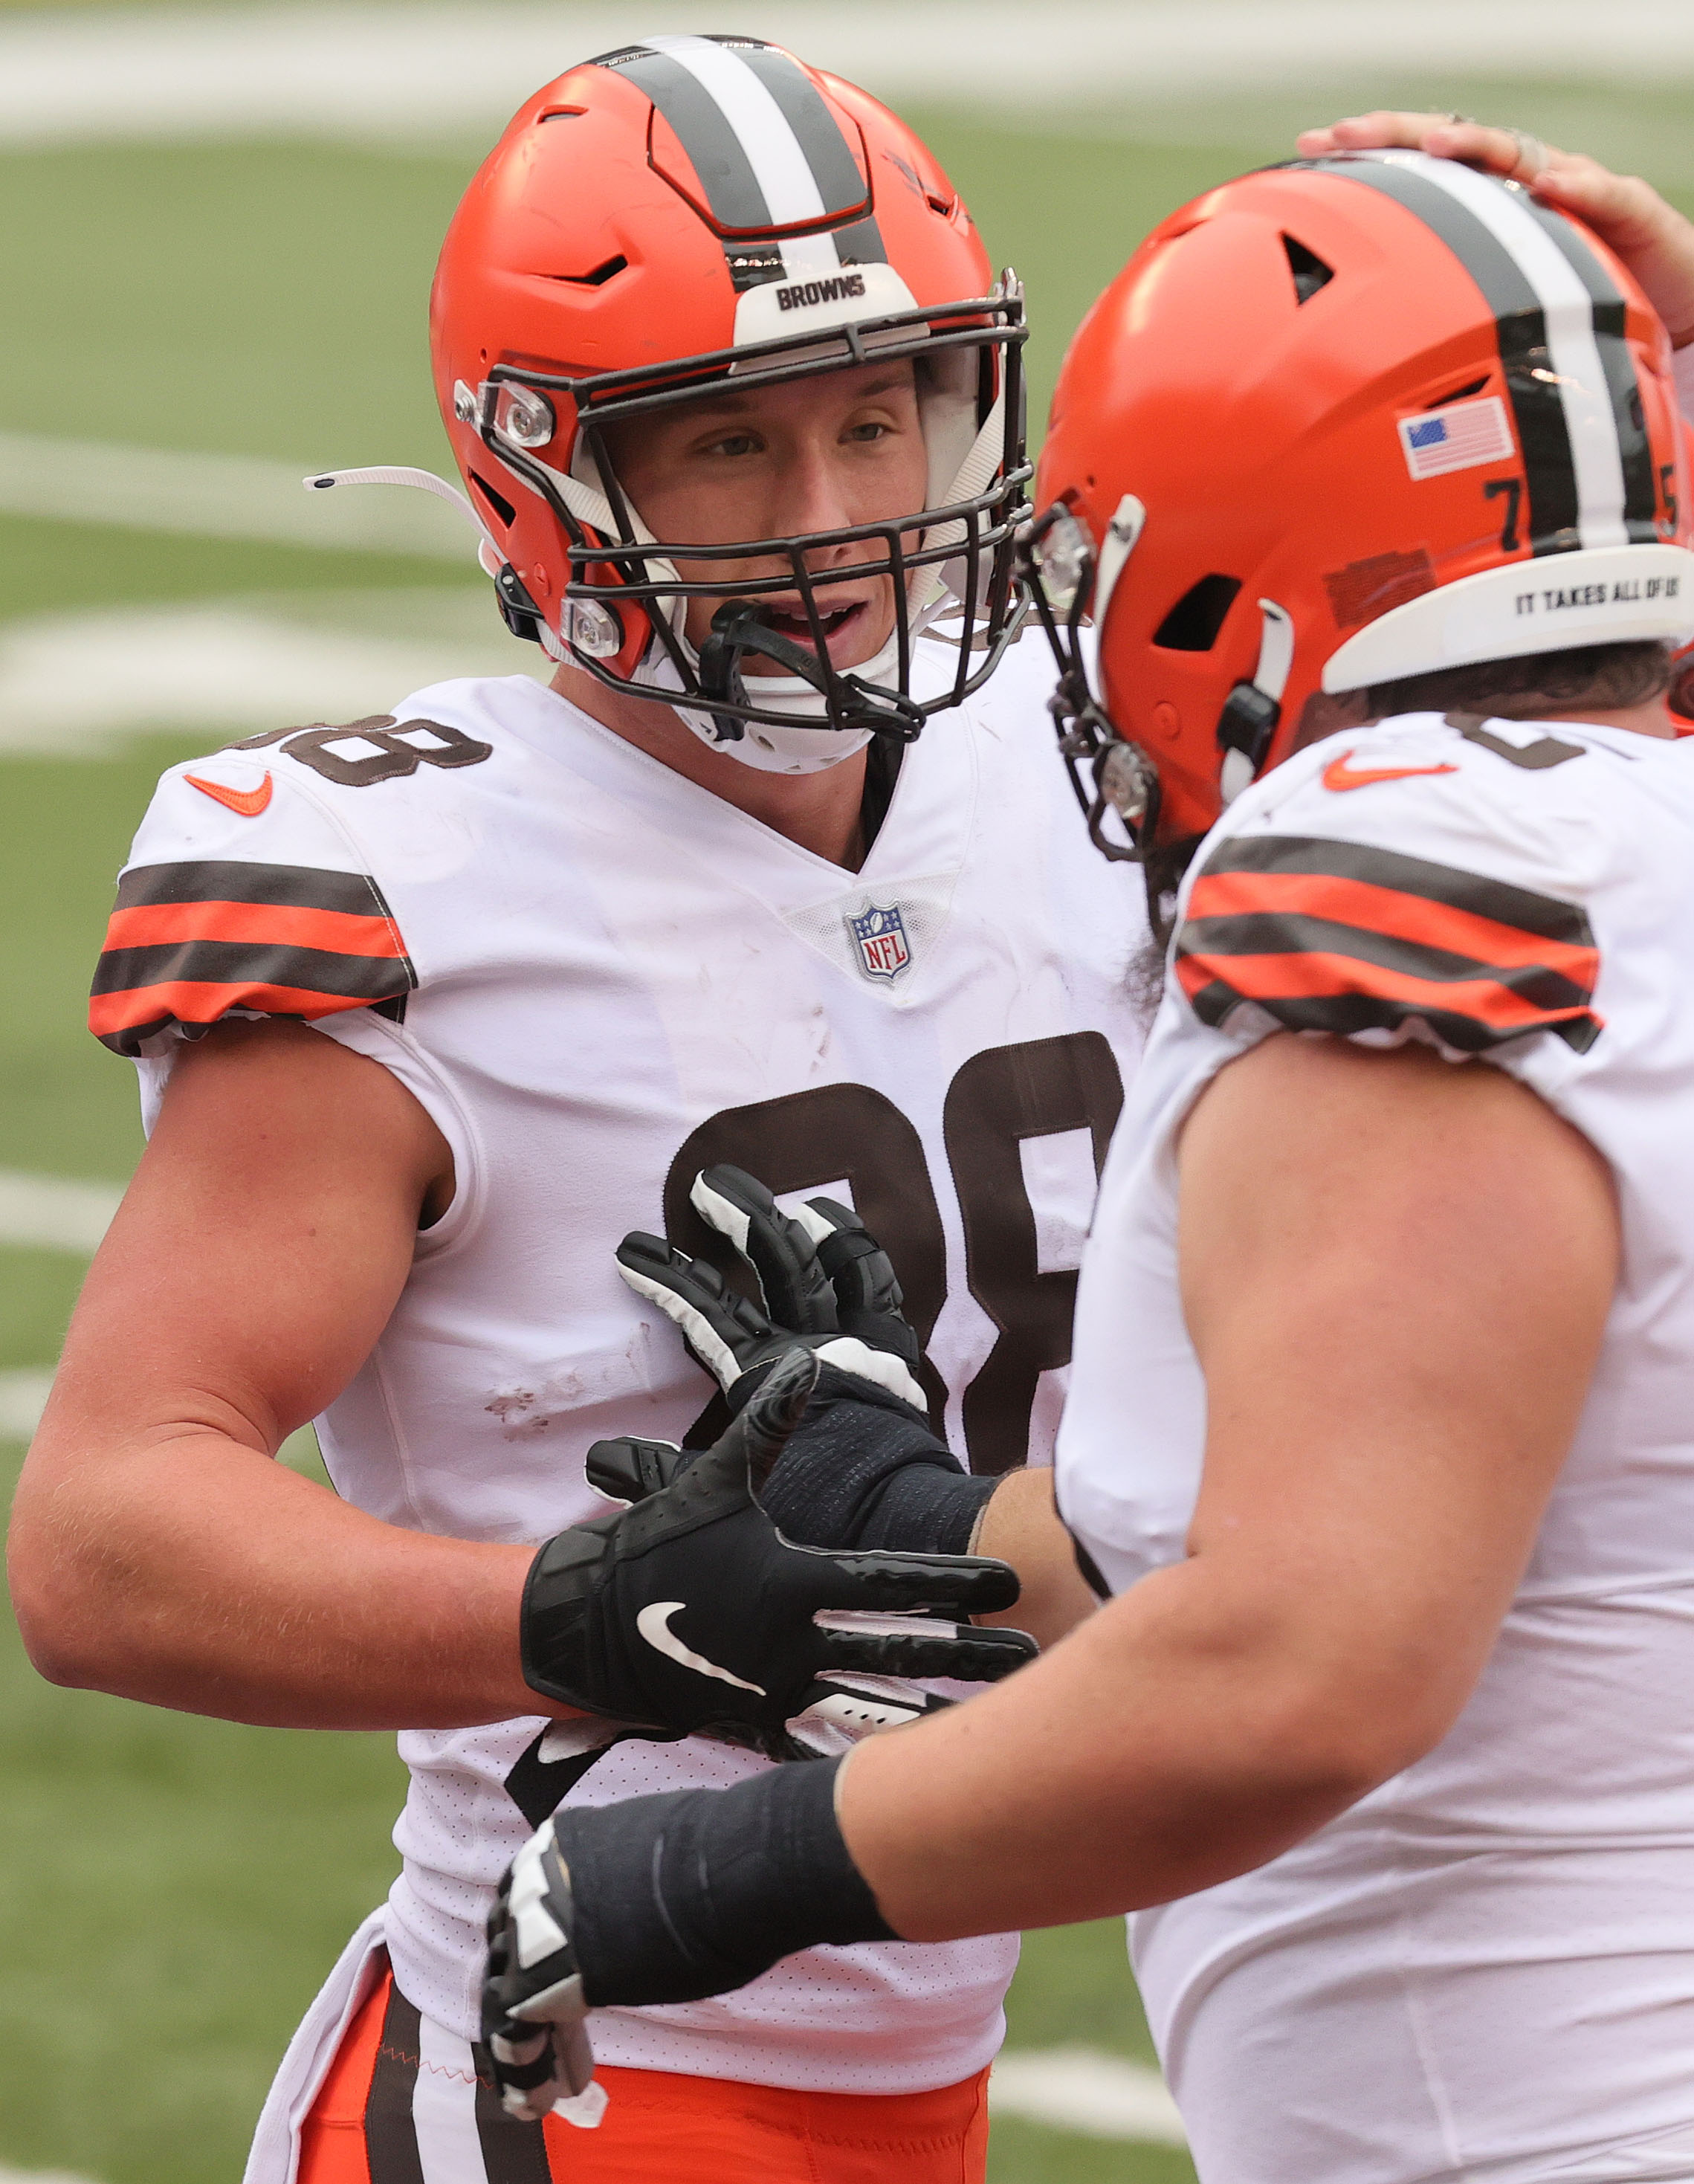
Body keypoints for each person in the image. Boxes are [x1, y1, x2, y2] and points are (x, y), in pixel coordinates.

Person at [479, 132, 1694, 2184]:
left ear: (1230, 574)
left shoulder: (1413, 870)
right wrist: (922, 1521)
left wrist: (708, 1874)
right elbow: (1487, 1495)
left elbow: (1306, 1666)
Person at [4, 34, 1130, 2184]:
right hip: (576, 2058)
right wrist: (585, 1607)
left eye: (876, 417)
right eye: (726, 443)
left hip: (939, 2025)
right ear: (548, 477)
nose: (832, 522)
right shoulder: (420, 888)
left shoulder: (1098, 762)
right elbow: (103, 1538)